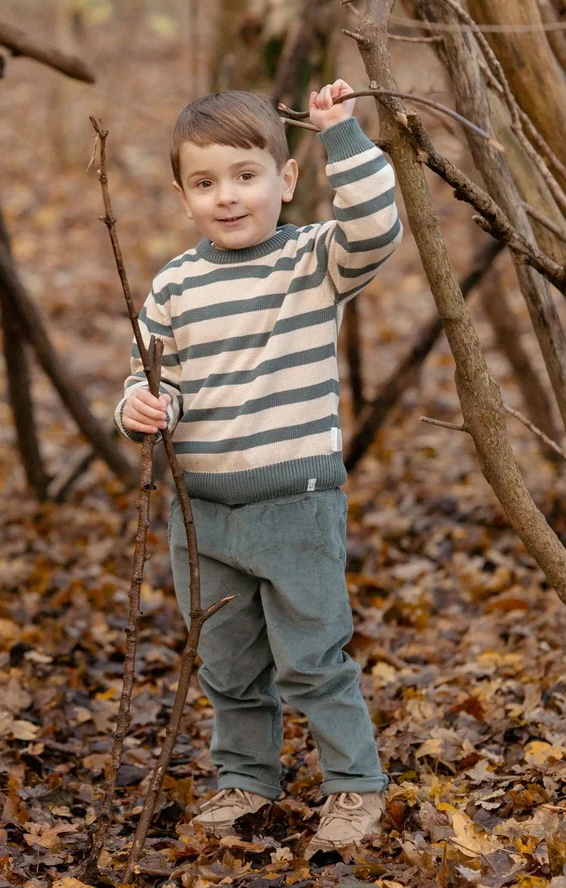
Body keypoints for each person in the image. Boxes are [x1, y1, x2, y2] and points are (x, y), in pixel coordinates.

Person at [113, 80, 402, 854]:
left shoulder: (312, 262)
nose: (228, 197)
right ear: (183, 197)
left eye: (246, 176)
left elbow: (376, 228)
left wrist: (342, 135)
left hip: (295, 503)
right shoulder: (175, 284)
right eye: (205, 183)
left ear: (286, 180)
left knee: (312, 656)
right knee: (227, 661)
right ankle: (246, 777)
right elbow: (152, 377)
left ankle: (354, 786)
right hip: (201, 511)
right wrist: (142, 407)